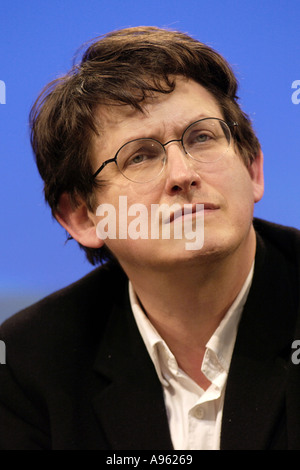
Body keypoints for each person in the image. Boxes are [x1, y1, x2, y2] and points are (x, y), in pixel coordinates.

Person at [1, 26, 300, 451]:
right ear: (84, 217)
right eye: (140, 155)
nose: (183, 174)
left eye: (202, 137)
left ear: (253, 169)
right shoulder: (30, 363)